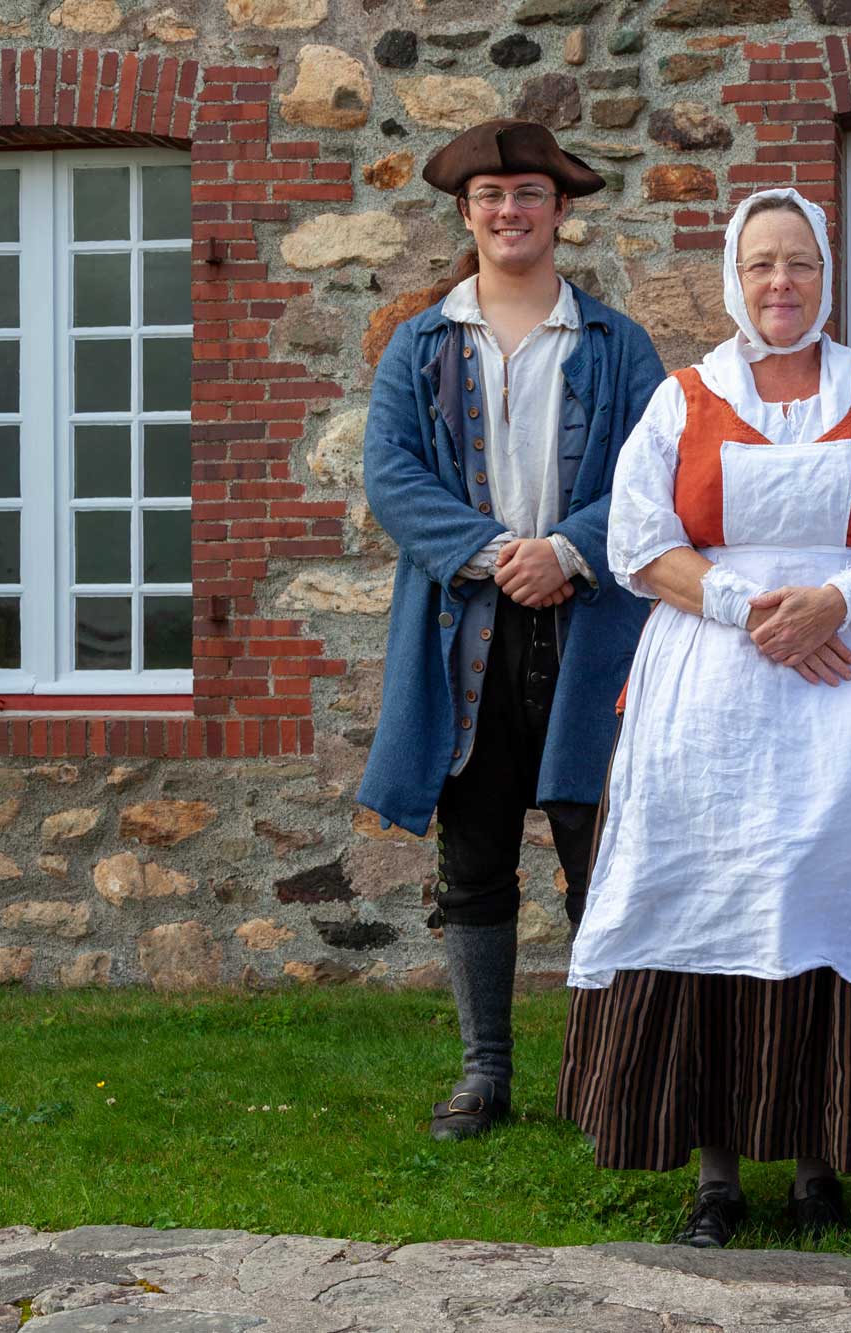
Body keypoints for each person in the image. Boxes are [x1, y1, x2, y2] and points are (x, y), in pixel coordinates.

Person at [556, 188, 851, 1248]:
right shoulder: (685, 397)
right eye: (762, 264)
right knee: (710, 883)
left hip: (848, 685)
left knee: (826, 886)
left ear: (826, 275)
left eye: (800, 264)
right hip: (712, 696)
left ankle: (819, 1162)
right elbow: (639, 540)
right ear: (736, 279)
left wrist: (838, 600)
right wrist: (751, 610)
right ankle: (714, 1173)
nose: (781, 283)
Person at [357, 120, 666, 1143]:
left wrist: (566, 551)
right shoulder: (422, 341)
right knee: (477, 851)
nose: (509, 211)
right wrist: (499, 553)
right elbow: (391, 475)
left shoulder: (618, 345)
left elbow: (645, 478)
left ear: (560, 211)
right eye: (490, 195)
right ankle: (484, 1070)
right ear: (465, 212)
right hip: (467, 631)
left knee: (600, 849)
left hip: (591, 630)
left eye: (528, 193)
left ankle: (604, 1071)